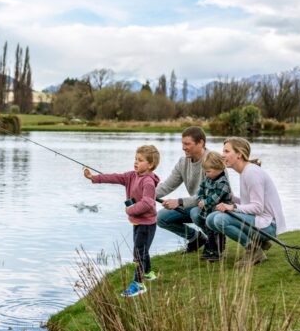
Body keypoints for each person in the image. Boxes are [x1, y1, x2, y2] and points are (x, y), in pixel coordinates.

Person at [84, 145, 161, 298]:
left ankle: (138, 284)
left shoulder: (148, 182)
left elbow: (148, 203)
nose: (135, 162)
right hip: (138, 222)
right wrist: (94, 178)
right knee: (142, 249)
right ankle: (148, 273)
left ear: (150, 165)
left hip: (147, 224)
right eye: (135, 159)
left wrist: (129, 210)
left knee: (139, 252)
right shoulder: (131, 176)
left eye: (140, 160)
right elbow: (114, 177)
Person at [205, 137, 287, 267]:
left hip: (267, 225)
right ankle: (258, 243)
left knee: (220, 220)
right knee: (210, 219)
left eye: (227, 151)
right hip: (258, 221)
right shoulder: (245, 172)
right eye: (223, 151)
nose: (222, 155)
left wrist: (232, 206)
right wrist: (231, 198)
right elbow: (249, 204)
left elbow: (258, 208)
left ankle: (254, 250)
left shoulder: (251, 173)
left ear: (239, 154)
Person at [156, 126, 211, 253]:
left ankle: (215, 241)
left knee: (195, 213)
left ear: (201, 143)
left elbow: (207, 195)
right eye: (182, 143)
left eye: (187, 144)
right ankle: (195, 238)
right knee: (161, 218)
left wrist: (179, 202)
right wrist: (144, 193)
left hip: (212, 205)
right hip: (194, 204)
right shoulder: (183, 162)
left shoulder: (212, 160)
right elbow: (167, 185)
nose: (183, 147)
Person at [196, 151, 232, 262]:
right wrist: (200, 199)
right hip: (208, 213)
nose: (206, 174)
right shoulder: (208, 178)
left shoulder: (223, 182)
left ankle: (219, 253)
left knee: (217, 233)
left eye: (208, 171)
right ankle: (211, 250)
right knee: (209, 232)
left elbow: (216, 197)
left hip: (218, 213)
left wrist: (205, 202)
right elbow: (201, 190)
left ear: (219, 168)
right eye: (205, 172)